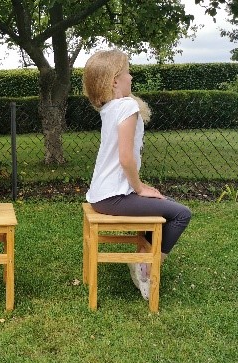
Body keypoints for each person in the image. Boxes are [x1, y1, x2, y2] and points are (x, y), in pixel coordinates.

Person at [82, 49, 191, 300]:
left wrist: (139, 188)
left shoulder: (110, 107)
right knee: (181, 214)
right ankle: (146, 268)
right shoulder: (127, 106)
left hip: (101, 194)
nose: (131, 77)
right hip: (114, 196)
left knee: (159, 205)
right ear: (114, 81)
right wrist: (140, 188)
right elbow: (125, 157)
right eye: (128, 72)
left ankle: (144, 256)